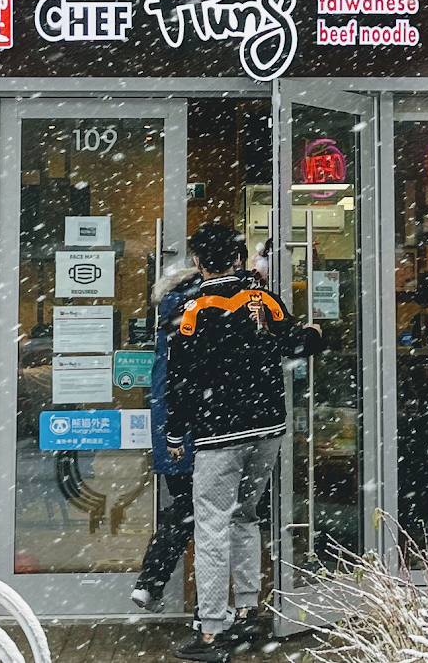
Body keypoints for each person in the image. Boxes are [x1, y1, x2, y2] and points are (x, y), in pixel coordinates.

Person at [163, 223, 323, 663]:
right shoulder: (263, 299)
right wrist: (316, 335)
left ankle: (213, 630)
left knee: (212, 524)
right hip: (267, 429)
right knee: (246, 517)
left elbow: (180, 381)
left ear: (198, 262)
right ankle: (249, 611)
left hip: (219, 434)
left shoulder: (194, 309)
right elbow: (295, 343)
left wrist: (176, 432)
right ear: (237, 258)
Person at [130, 260, 207, 611]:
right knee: (199, 511)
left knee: (188, 508)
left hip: (170, 423)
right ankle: (155, 584)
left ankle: (152, 584)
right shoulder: (197, 304)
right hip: (192, 427)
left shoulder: (169, 308)